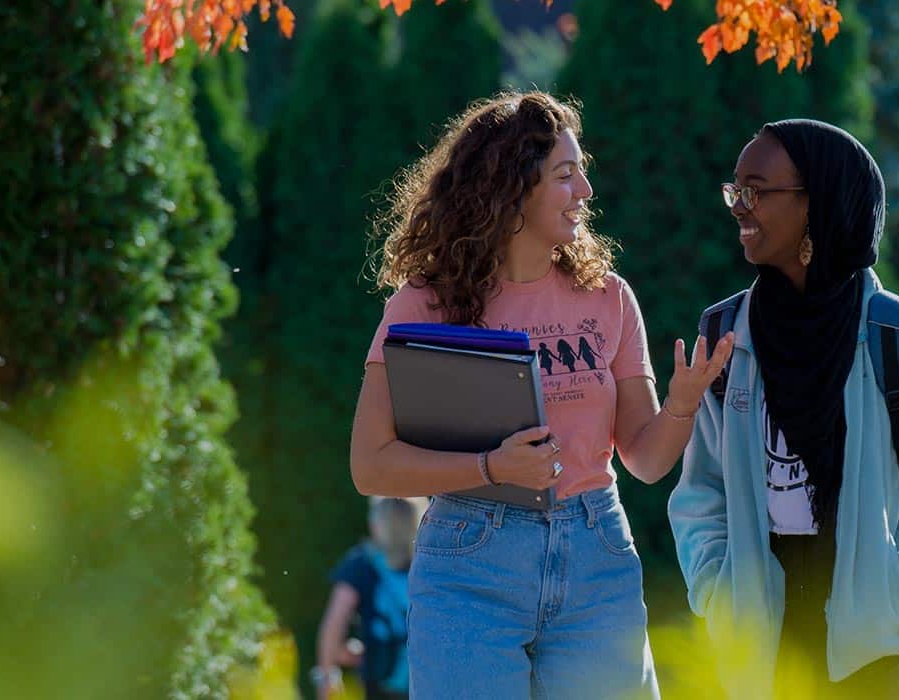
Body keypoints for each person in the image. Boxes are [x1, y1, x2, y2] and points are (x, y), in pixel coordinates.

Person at [348, 91, 733, 699]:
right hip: (469, 565)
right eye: (565, 173)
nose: (584, 190)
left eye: (582, 171)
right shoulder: (423, 305)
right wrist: (489, 467)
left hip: (596, 554)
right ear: (509, 186)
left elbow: (646, 459)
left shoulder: (608, 296)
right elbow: (371, 465)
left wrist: (683, 403)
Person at [668, 119, 899, 698]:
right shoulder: (723, 333)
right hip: (760, 636)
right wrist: (716, 595)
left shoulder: (895, 334)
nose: (740, 207)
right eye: (735, 190)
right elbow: (700, 492)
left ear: (817, 203)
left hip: (870, 641)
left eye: (757, 190)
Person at [313, 496, 425, 700]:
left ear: (376, 524)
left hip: (380, 678)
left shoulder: (362, 563)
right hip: (427, 677)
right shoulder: (428, 565)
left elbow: (335, 622)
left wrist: (327, 675)